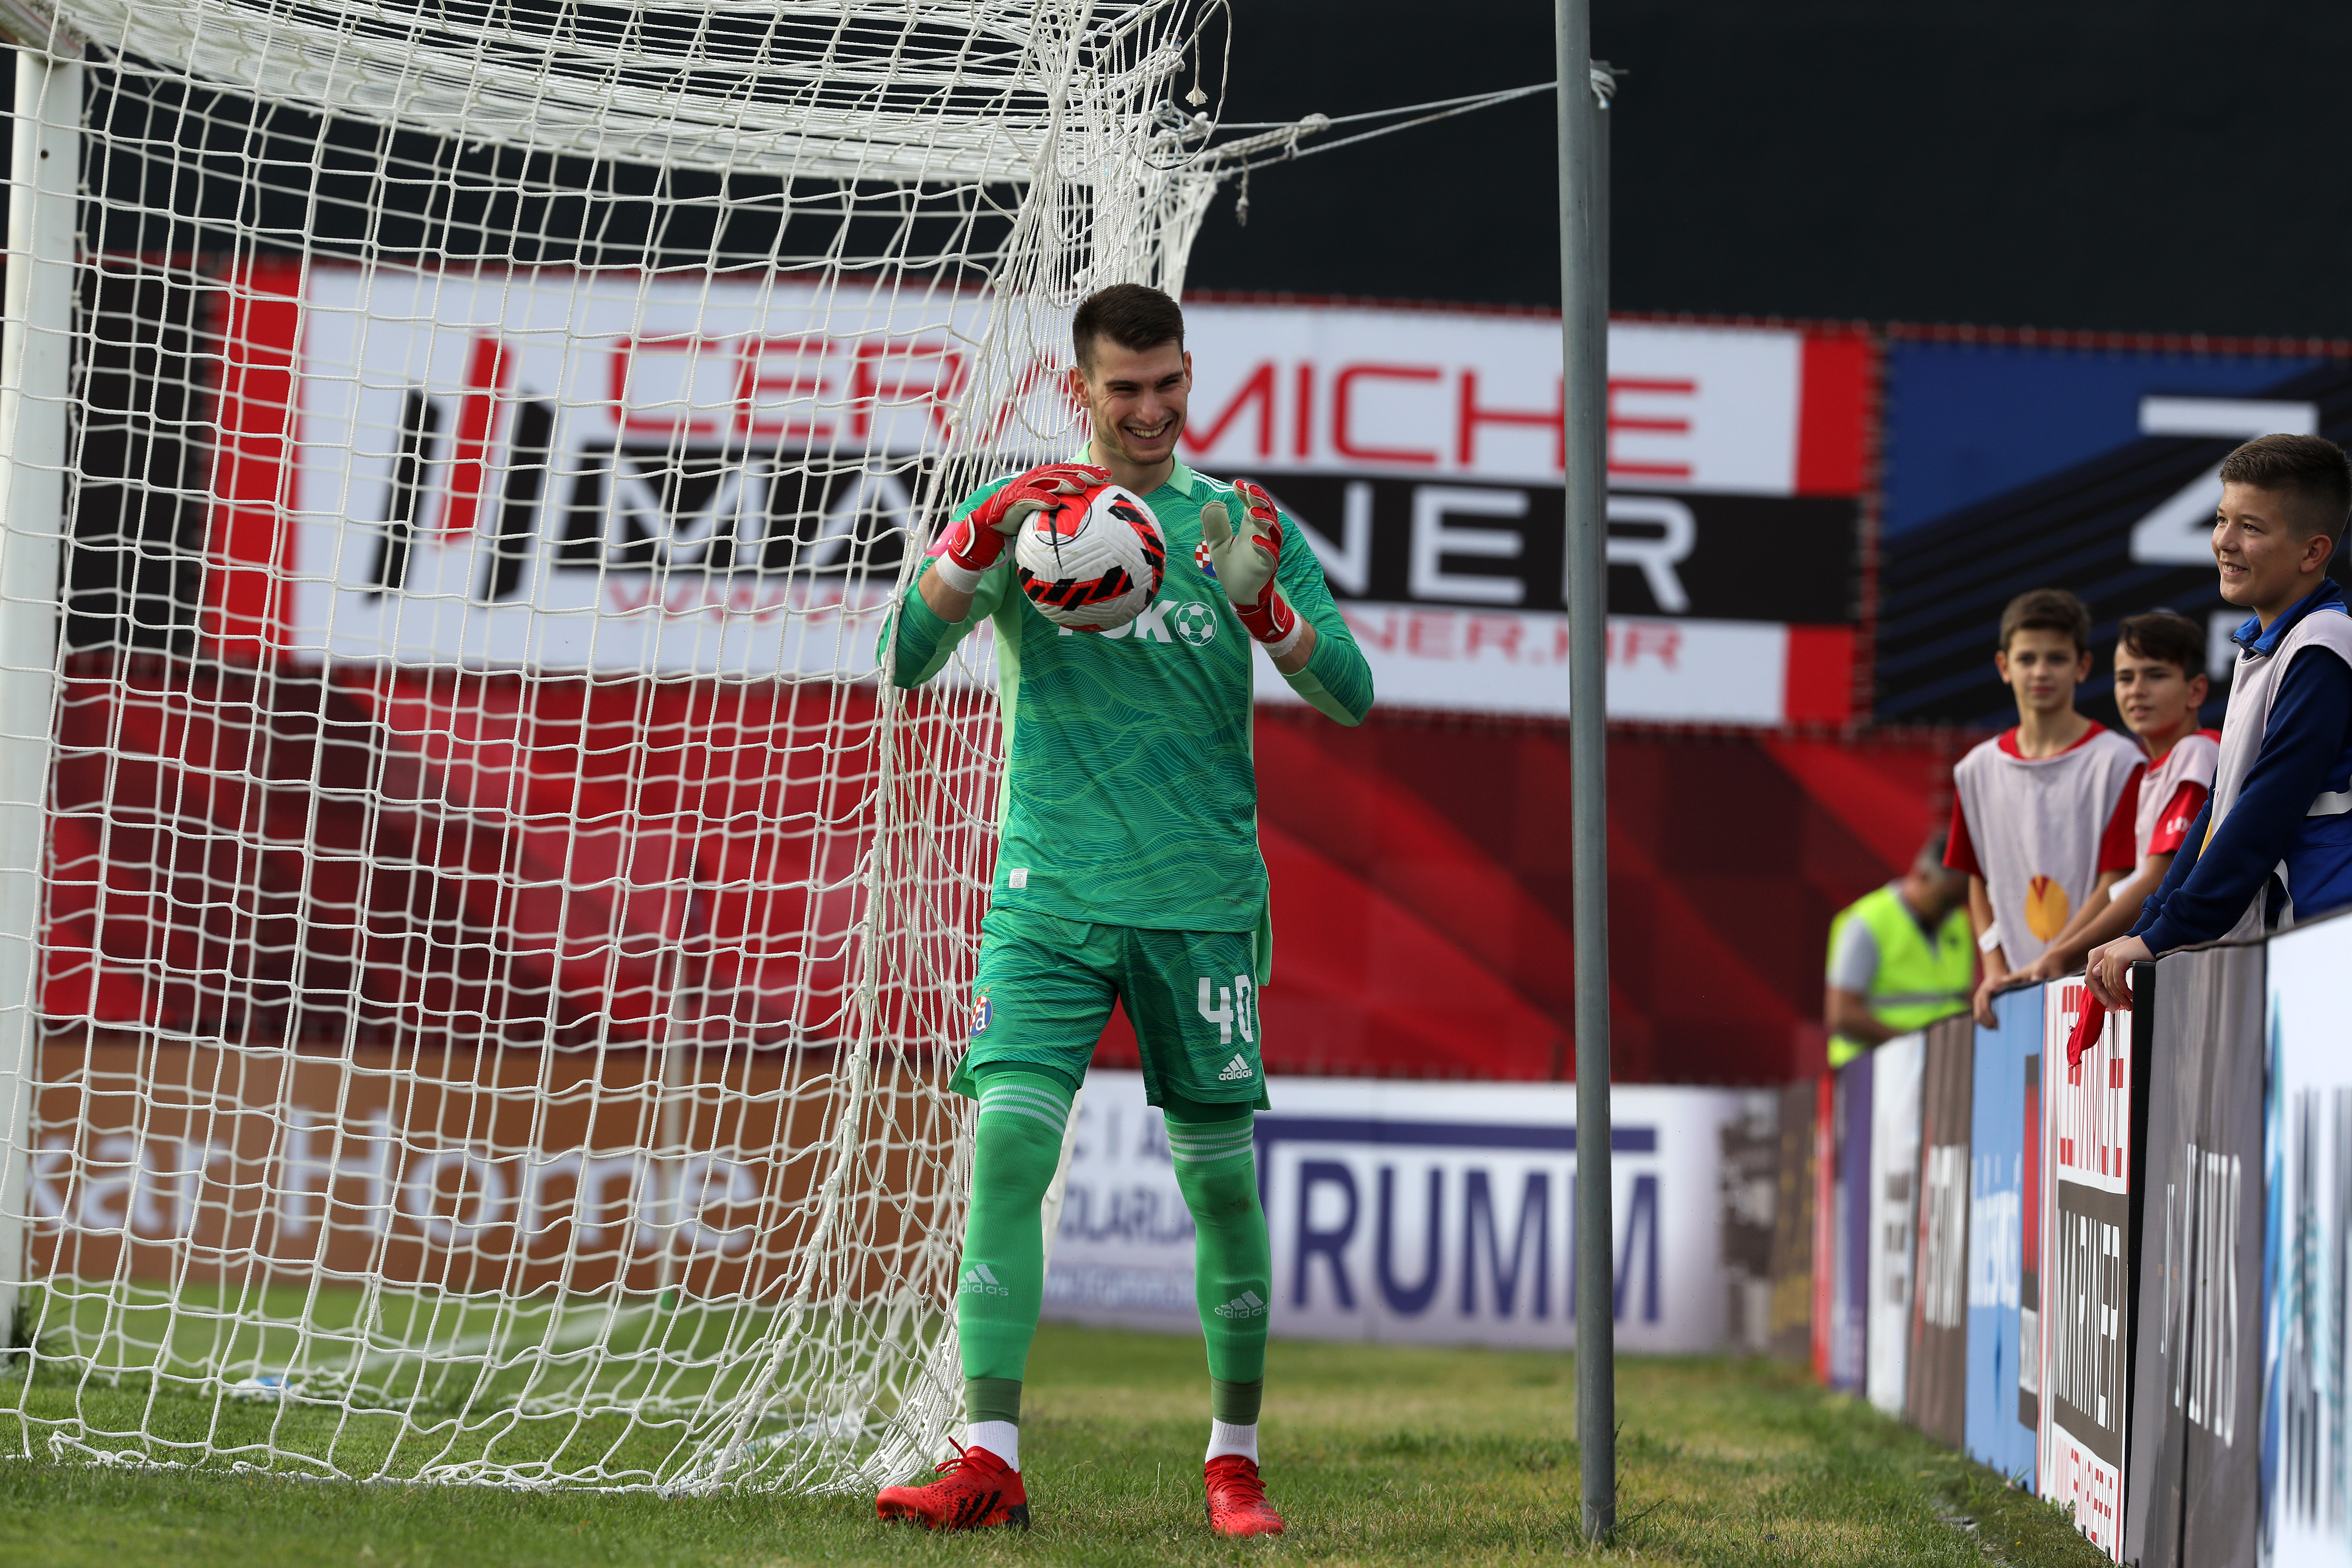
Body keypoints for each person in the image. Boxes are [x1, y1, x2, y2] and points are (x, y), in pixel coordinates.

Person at [871, 283, 1374, 1536]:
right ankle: (988, 1456)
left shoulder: (1239, 520)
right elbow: (901, 657)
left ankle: (1233, 1462)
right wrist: (973, 541)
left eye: (1168, 385)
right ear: (1079, 388)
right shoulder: (1031, 518)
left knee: (1220, 1189)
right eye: (1124, 389)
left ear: (1188, 375)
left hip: (1197, 904)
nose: (1150, 411)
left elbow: (1352, 691)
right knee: (1007, 1150)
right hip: (1047, 895)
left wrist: (1265, 610)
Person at [2089, 434, 2352, 1008]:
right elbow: (2220, 810)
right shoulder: (2265, 645)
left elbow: (2265, 809)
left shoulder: (2323, 642)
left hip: (2327, 937)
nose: (2223, 542)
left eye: (2250, 527)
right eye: (2220, 519)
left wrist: (2163, 933)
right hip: (2295, 938)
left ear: (2312, 552)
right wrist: (2148, 926)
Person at [1944, 588, 2145, 1025]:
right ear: (2004, 667)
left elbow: (2118, 881)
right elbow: (1978, 878)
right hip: (2016, 989)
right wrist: (1994, 968)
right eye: (2026, 658)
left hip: (2095, 986)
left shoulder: (2120, 761)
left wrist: (2057, 957)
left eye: (2056, 658)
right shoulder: (1975, 770)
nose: (2040, 671)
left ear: (2082, 666)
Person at [2017, 610, 2217, 982]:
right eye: (2125, 678)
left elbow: (2159, 880)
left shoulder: (2197, 752)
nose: (2136, 690)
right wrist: (2058, 954)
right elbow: (2123, 887)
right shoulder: (2153, 770)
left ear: (2196, 691)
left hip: (2200, 969)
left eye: (2155, 675)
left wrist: (2063, 956)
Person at [1822, 831, 1975, 1068]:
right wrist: (1911, 1045)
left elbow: (1958, 998)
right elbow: (1841, 1015)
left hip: (1941, 1063)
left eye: (1958, 902)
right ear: (1922, 876)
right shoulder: (1867, 922)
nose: (1950, 911)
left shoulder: (1958, 920)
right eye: (1945, 901)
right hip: (1871, 1068)